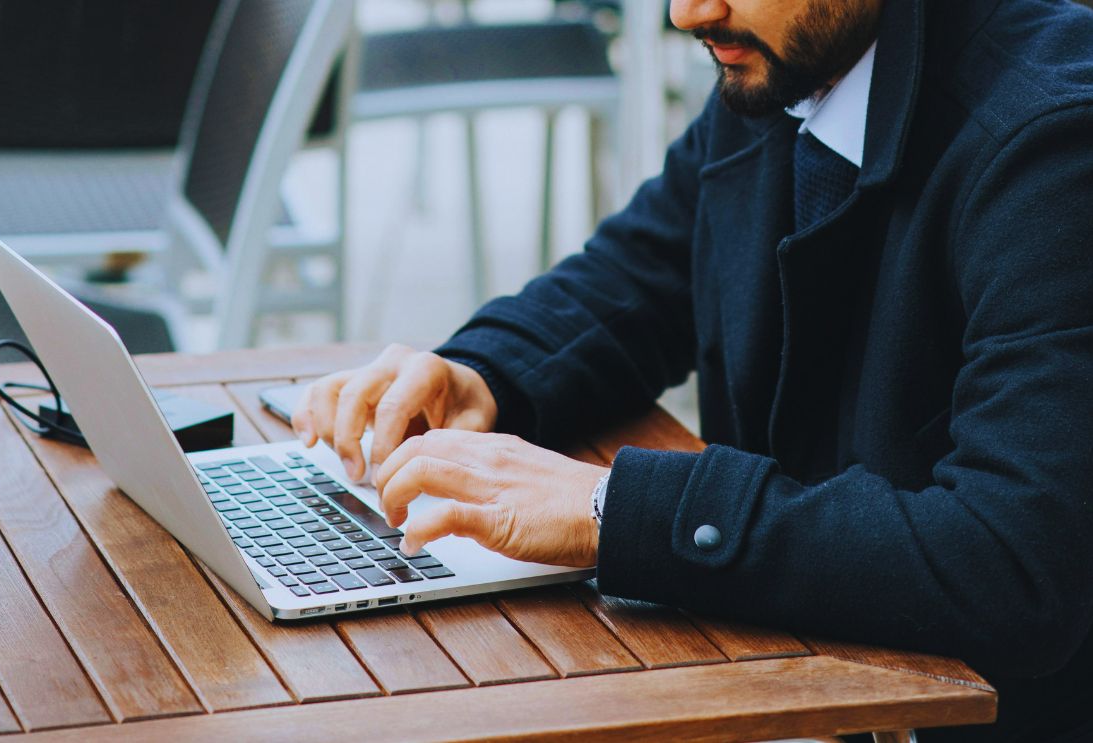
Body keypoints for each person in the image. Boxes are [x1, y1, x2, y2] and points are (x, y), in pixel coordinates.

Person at [293, 0, 1093, 739]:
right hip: (799, 684)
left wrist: (614, 510)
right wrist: (483, 371)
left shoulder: (1052, 144)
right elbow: (645, 271)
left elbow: (1013, 566)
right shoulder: (794, 57)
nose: (687, 13)